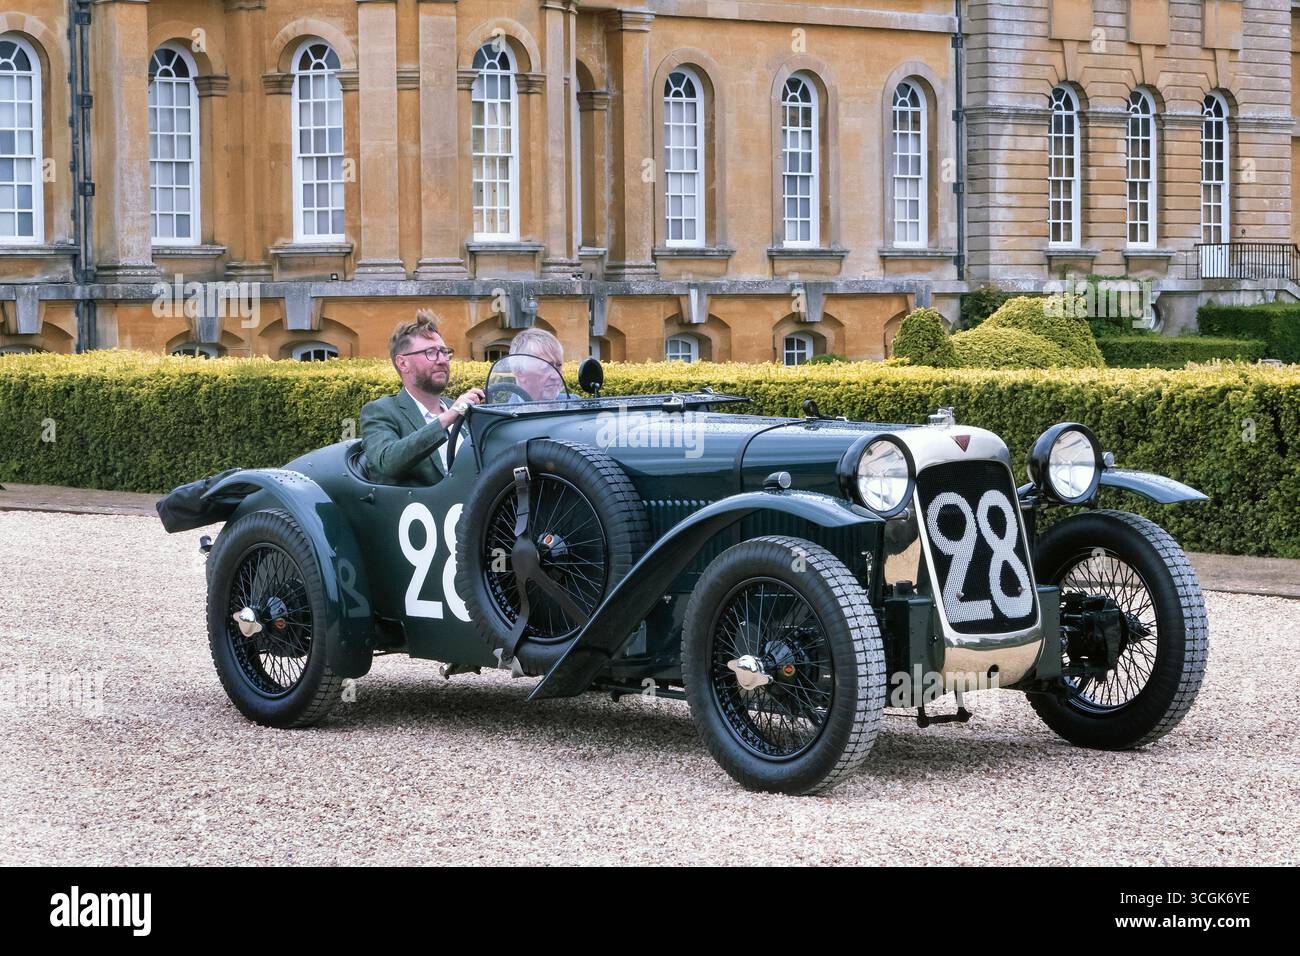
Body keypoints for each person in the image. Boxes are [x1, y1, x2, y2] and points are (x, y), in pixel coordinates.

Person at [360, 311, 485, 484]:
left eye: (444, 352)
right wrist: (447, 418)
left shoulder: (460, 409)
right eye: (430, 352)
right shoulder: (380, 411)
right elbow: (387, 461)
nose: (442, 360)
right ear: (403, 363)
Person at [503, 328, 566, 402]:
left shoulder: (574, 405)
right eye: (546, 368)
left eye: (558, 366)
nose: (557, 376)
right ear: (520, 372)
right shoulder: (504, 412)